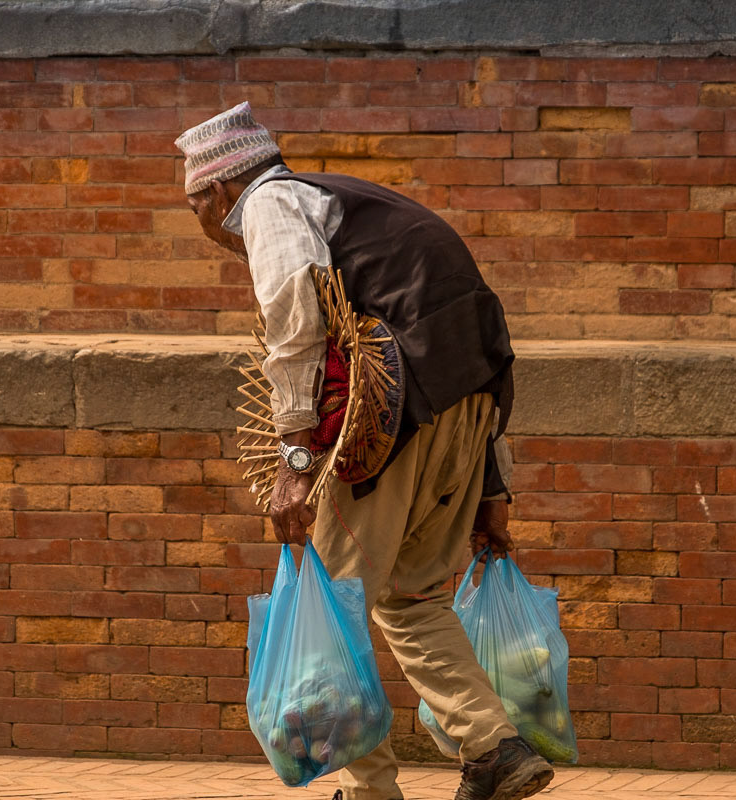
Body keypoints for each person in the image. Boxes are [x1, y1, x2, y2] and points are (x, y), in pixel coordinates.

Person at [175, 102, 554, 800]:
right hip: (466, 409)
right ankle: (492, 748)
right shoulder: (347, 199)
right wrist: (490, 486)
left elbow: (298, 322)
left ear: (217, 191)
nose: (202, 224)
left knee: (337, 599)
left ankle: (373, 792)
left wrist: (294, 463)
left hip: (396, 422)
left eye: (192, 204)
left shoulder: (270, 203)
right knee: (409, 597)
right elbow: (467, 340)